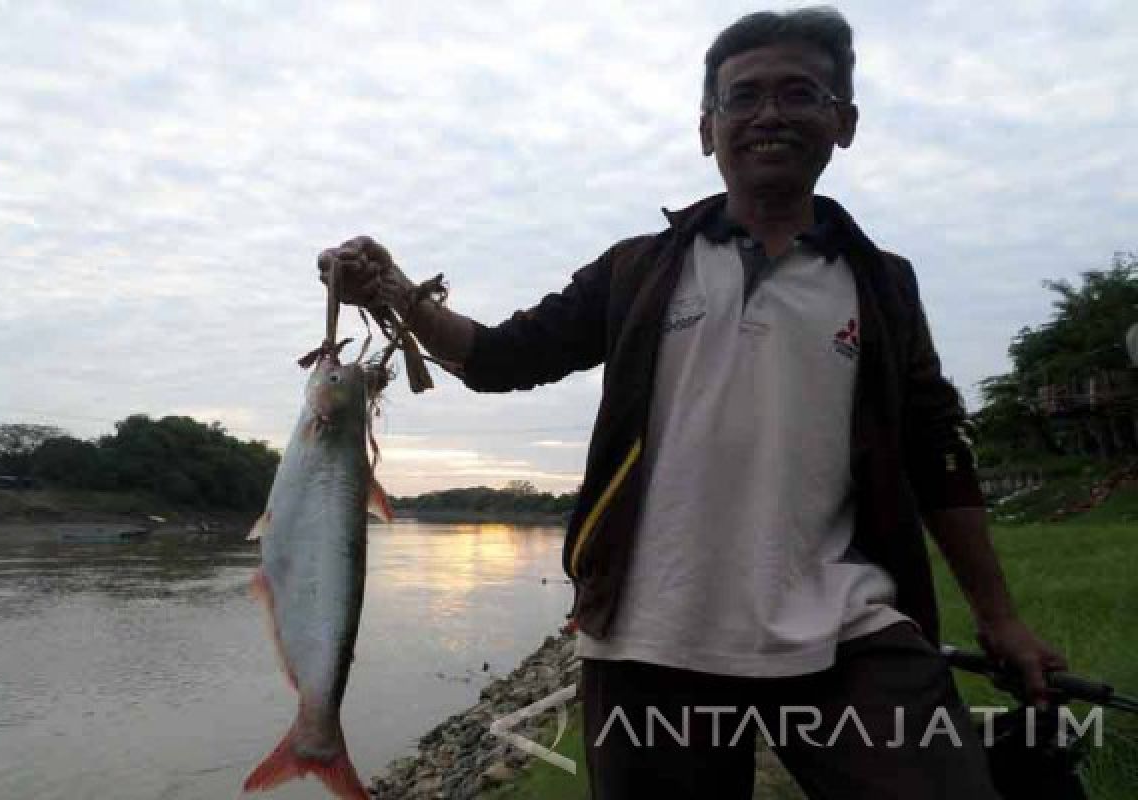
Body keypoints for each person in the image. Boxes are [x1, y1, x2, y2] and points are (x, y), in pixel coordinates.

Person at [320, 8, 1066, 799]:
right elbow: (499, 358)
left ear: (842, 123)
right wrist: (395, 292)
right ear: (707, 130)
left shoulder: (884, 284)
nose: (768, 114)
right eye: (742, 98)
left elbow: (937, 452)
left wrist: (1000, 617)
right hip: (647, 638)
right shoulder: (636, 270)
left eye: (799, 93)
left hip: (846, 628)